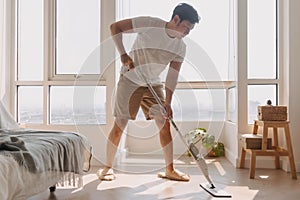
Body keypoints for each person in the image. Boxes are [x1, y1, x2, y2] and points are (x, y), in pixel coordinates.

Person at [97, 3, 200, 182]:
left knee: (164, 123)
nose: (187, 33)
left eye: (190, 30)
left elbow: (172, 76)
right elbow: (115, 27)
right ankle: (107, 168)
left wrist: (167, 102)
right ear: (176, 19)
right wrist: (123, 54)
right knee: (120, 123)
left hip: (153, 83)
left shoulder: (180, 47)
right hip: (130, 79)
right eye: (186, 27)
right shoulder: (150, 24)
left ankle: (170, 170)